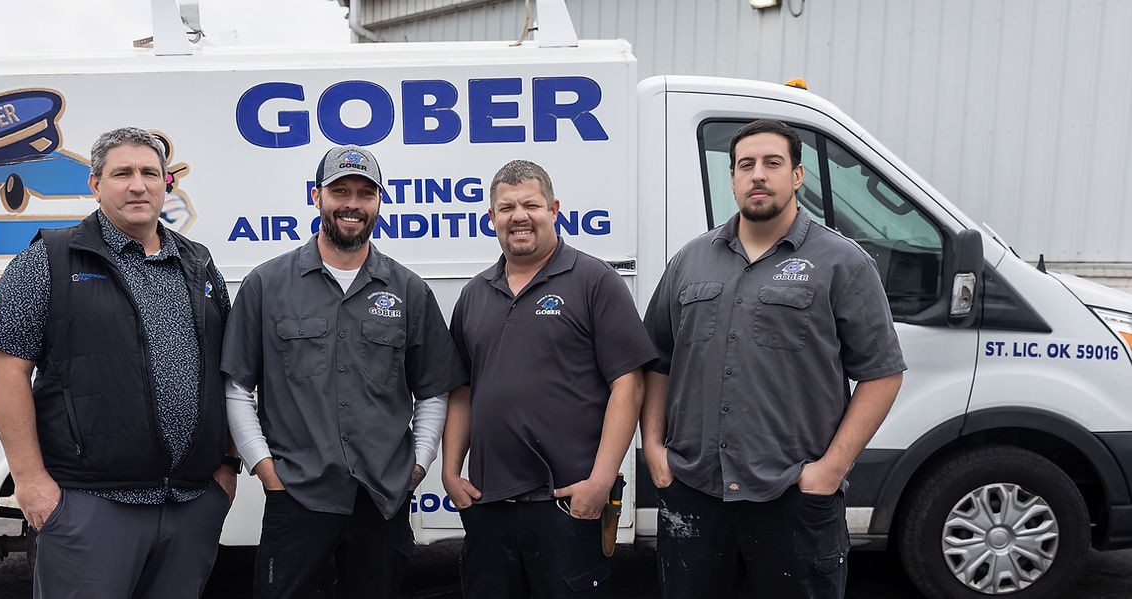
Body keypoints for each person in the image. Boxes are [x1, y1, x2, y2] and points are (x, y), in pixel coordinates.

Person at [641, 119, 907, 598]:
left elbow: (882, 374)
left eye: (772, 163)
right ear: (732, 179)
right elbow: (658, 360)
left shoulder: (842, 262)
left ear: (797, 175)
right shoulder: (689, 261)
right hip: (696, 493)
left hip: (793, 496)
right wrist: (656, 450)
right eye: (745, 165)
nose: (758, 174)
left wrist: (830, 470)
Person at [0, 127, 237, 598]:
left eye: (150, 173)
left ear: (166, 183)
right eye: (122, 174)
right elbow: (5, 370)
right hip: (90, 504)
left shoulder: (198, 263)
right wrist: (30, 480)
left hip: (190, 502)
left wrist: (226, 467)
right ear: (96, 184)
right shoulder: (49, 260)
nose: (138, 185)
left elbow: (228, 371)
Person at [221, 145, 466, 599]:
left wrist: (417, 465)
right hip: (297, 496)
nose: (352, 204)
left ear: (379, 202)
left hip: (382, 500)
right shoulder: (266, 285)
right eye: (340, 191)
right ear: (317, 196)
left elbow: (433, 390)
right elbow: (236, 388)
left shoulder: (409, 290)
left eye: (365, 193)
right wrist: (265, 469)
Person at [441, 160, 656, 598]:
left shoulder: (594, 281)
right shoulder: (474, 294)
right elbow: (462, 390)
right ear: (491, 217)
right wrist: (449, 471)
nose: (518, 216)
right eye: (506, 208)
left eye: (531, 205)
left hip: (567, 505)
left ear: (554, 209)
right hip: (489, 506)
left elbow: (629, 385)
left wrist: (600, 481)